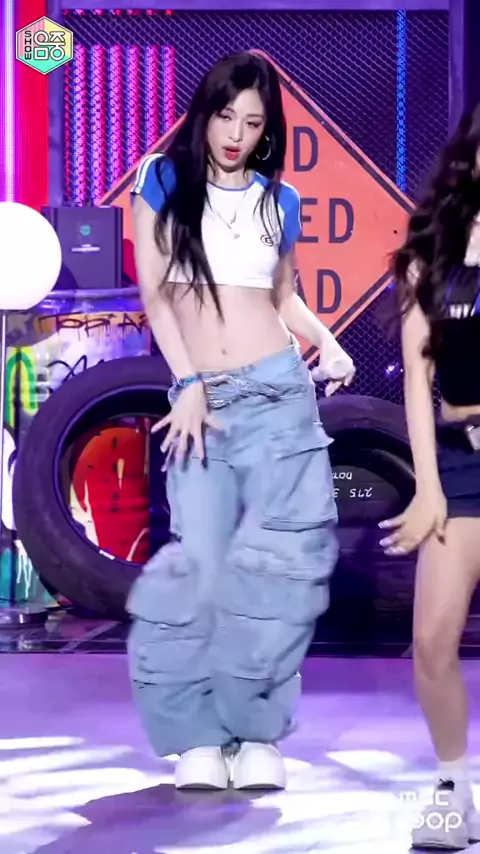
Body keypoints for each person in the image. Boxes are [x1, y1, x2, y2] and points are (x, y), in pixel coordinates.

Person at [127, 51, 355, 792]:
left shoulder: (278, 201)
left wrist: (325, 341)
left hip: (280, 392)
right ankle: (201, 735)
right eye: (226, 116)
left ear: (267, 131)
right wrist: (187, 382)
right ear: (205, 113)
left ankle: (256, 732)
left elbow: (280, 298)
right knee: (203, 567)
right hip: (203, 405)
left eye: (253, 123)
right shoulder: (161, 180)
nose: (236, 134)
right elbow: (157, 298)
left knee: (276, 575)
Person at [379, 105, 480, 849]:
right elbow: (419, 383)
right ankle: (454, 790)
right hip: (460, 460)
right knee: (432, 640)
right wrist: (429, 485)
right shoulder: (432, 254)